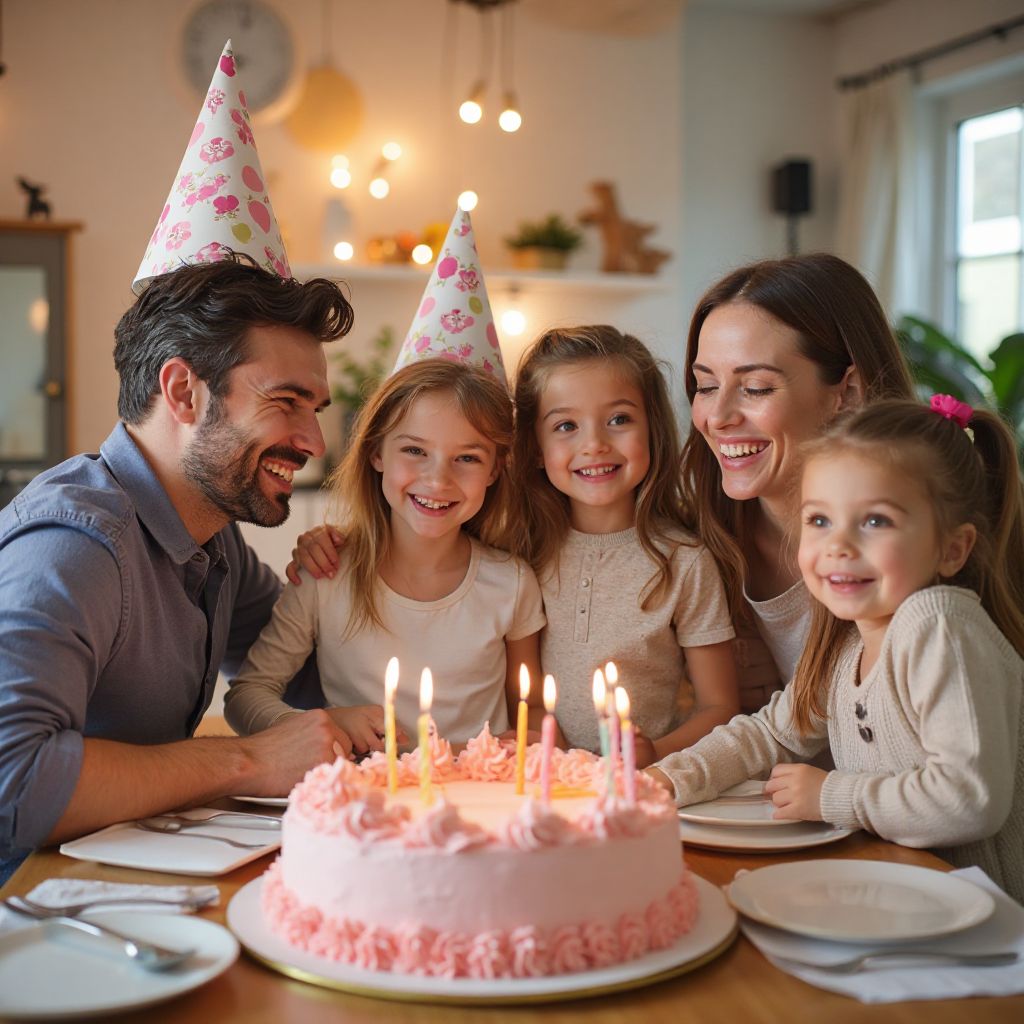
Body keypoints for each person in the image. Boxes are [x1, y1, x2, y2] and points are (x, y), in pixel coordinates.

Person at [0, 255, 357, 876]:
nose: (314, 443)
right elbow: (13, 781)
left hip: (128, 881)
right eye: (286, 402)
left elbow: (312, 680)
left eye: (316, 409)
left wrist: (387, 573)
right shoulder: (74, 546)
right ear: (183, 391)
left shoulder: (216, 540)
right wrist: (249, 760)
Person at [650, 397, 1024, 901]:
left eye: (875, 521)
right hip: (909, 898)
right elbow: (767, 735)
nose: (839, 545)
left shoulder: (938, 627)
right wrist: (668, 780)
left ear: (952, 549)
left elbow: (969, 799)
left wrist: (829, 794)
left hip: (991, 926)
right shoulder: (846, 644)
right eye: (820, 521)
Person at [224, 358, 546, 746]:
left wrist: (528, 742)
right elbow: (246, 697)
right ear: (376, 453)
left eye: (467, 458)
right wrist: (326, 723)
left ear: (495, 470)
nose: (437, 479)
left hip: (480, 799)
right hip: (364, 799)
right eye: (414, 449)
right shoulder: (325, 572)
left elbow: (532, 712)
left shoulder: (511, 584)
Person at [683, 253, 915, 714]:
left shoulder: (908, 549)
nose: (718, 417)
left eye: (757, 388)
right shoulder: (699, 538)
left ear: (846, 392)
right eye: (706, 386)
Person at [506, 326, 738, 767]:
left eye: (618, 419)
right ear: (535, 447)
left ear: (652, 428)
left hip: (651, 788)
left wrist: (653, 754)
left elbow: (720, 707)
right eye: (566, 425)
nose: (594, 444)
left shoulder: (685, 562)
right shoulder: (520, 555)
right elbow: (527, 699)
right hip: (549, 787)